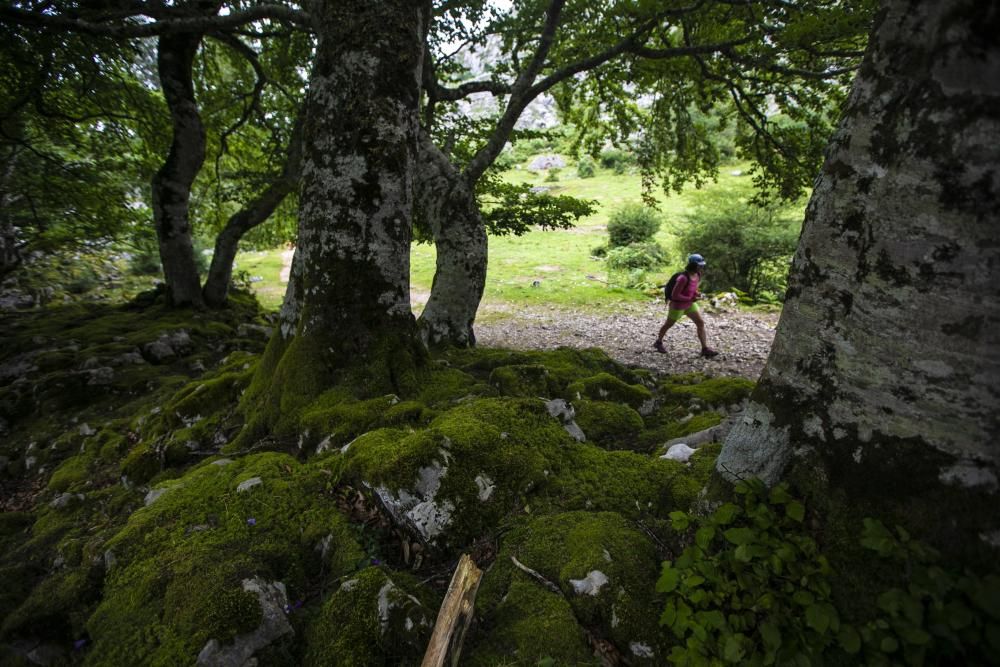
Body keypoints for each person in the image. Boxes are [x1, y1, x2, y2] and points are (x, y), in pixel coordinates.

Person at [653, 253, 719, 358]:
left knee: (700, 323)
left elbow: (692, 288)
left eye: (702, 265)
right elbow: (675, 295)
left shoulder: (697, 275)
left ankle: (705, 349)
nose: (701, 267)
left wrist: (697, 294)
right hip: (677, 306)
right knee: (668, 324)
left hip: (690, 305)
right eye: (699, 265)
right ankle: (658, 342)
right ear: (693, 265)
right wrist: (691, 298)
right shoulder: (683, 278)